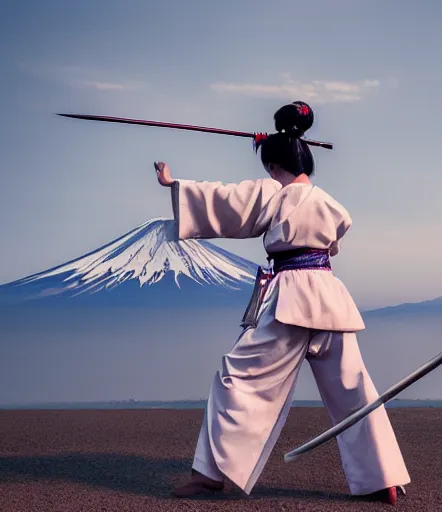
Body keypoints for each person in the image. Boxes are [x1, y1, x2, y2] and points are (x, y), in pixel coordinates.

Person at [155, 101, 410, 505]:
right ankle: (383, 479)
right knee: (354, 389)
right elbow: (332, 244)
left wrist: (175, 185)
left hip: (289, 296)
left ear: (274, 166)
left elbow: (227, 201)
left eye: (269, 166)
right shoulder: (332, 205)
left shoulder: (272, 193)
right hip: (329, 296)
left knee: (237, 378)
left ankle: (212, 474)